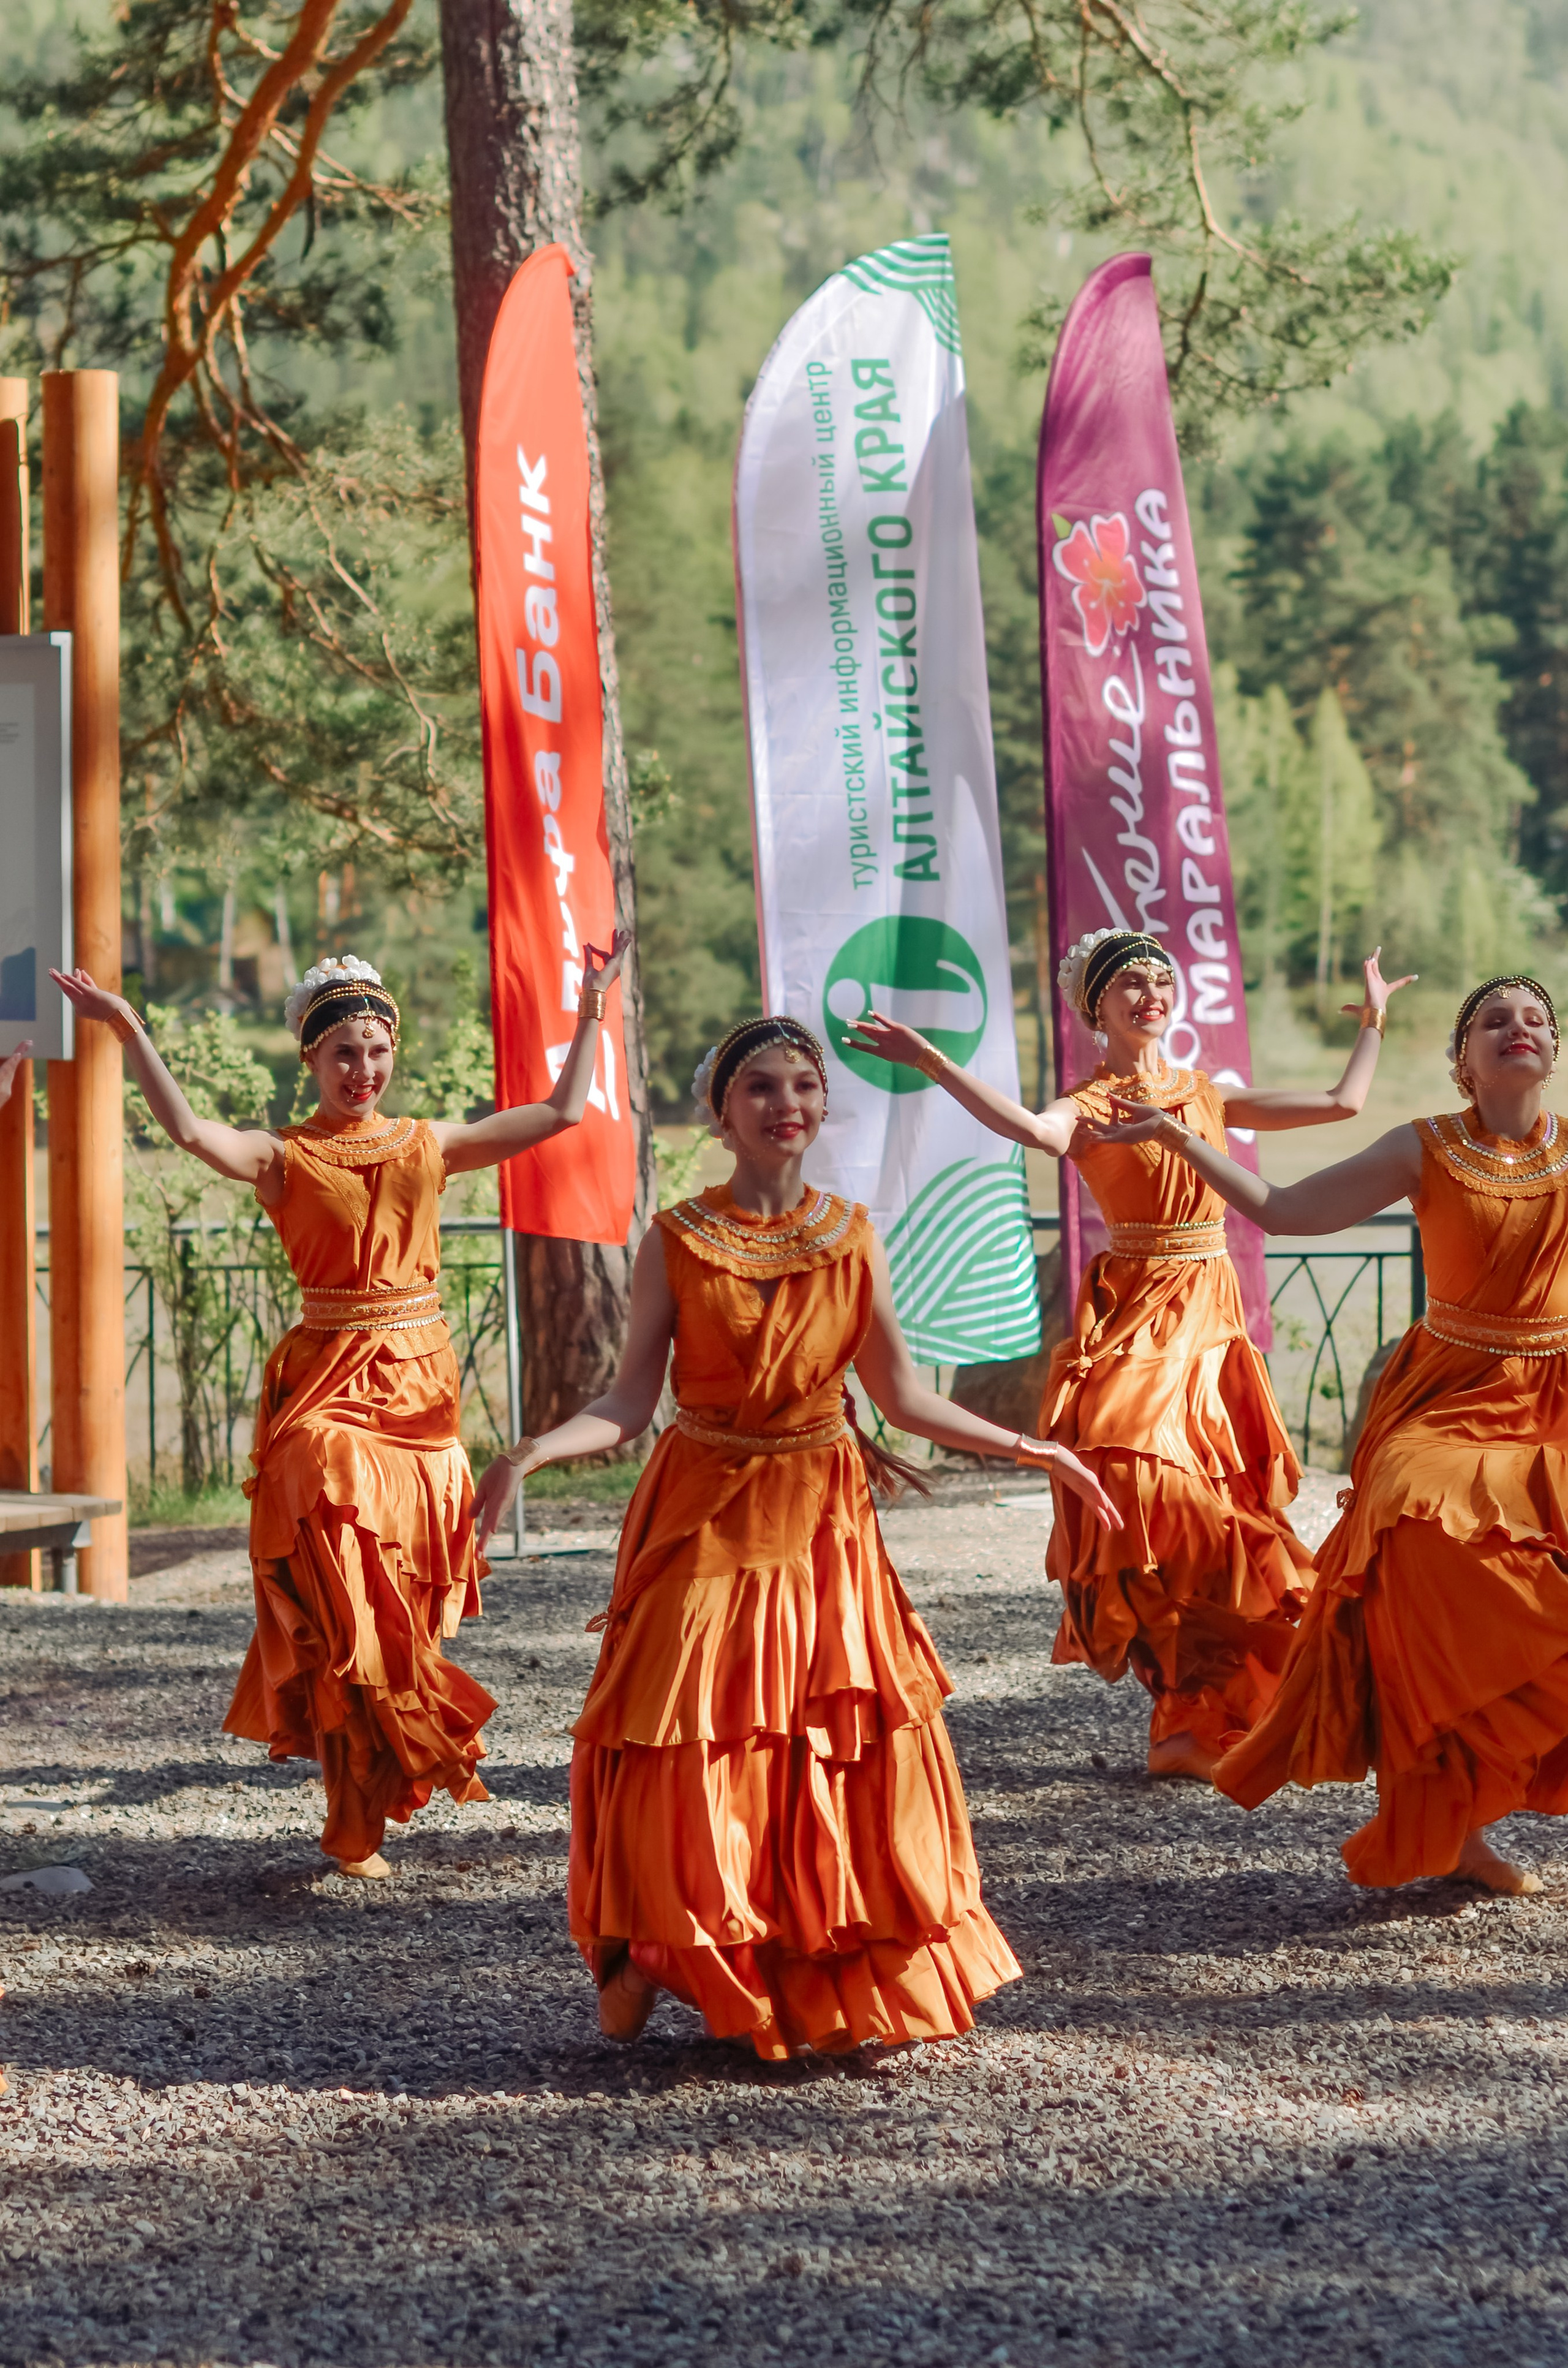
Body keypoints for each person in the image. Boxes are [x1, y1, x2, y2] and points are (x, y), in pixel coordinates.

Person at [472, 1014, 1122, 2057]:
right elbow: (632, 1400)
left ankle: (800, 1964)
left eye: (804, 1087)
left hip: (822, 1516)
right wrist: (528, 1453)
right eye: (762, 1088)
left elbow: (902, 1397)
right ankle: (656, 1944)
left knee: (825, 1748)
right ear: (720, 1114)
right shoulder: (677, 1237)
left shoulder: (853, 1233)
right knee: (681, 1739)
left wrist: (1033, 1448)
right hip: (703, 1511)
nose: (788, 1105)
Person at [52, 938, 629, 1878]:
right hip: (329, 1383)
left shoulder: (426, 1141)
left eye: (376, 1049)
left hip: (420, 1385)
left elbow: (564, 1111)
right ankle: (357, 1793)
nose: (364, 1069)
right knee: (327, 1533)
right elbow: (197, 1135)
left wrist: (593, 1007)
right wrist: (126, 1030)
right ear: (312, 1062)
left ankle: (368, 1789)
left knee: (395, 1618)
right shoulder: (286, 1158)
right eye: (344, 1053)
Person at [847, 931, 1412, 1781]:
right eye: (1130, 983)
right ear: (1096, 1009)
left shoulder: (1205, 1094)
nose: (1151, 991)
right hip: (1134, 1312)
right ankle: (1188, 1691)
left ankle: (1201, 1706)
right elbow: (1029, 1127)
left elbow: (1341, 1104)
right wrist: (932, 1060)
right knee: (1132, 1477)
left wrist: (1373, 1017)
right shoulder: (1088, 1106)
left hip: (1206, 1314)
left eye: (1160, 979)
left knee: (1220, 1510)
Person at [1095, 972, 1568, 1896]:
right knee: (1430, 1545)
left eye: (1537, 1020)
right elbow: (1283, 1210)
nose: (1520, 1029)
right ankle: (1445, 1809)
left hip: (1554, 1398)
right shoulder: (1422, 1147)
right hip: (1447, 1402)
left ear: (1552, 1051)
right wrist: (1181, 1138)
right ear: (1464, 1063)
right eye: (1495, 1021)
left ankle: (1472, 1807)